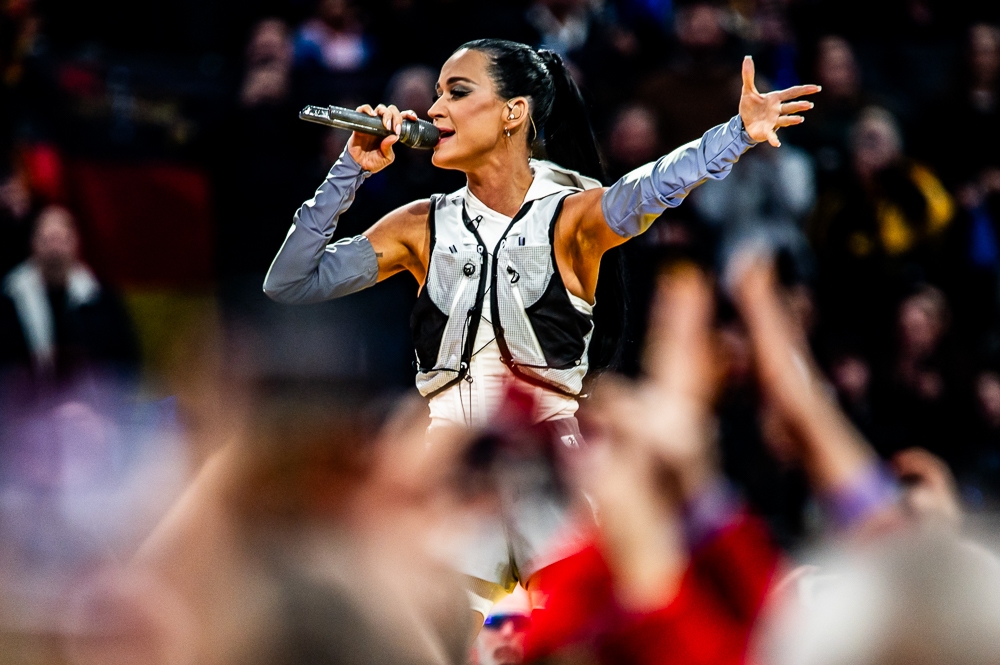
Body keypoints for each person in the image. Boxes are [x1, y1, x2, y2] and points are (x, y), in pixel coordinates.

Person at [263, 38, 818, 624]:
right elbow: (290, 282)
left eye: (457, 91)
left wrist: (738, 131)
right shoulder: (420, 225)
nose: (434, 111)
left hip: (553, 477)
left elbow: (657, 184)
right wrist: (350, 168)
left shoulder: (572, 213)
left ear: (513, 112)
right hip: (444, 471)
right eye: (435, 95)